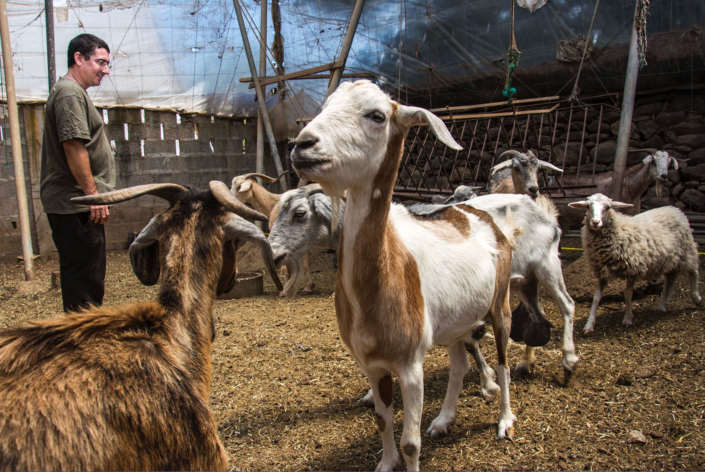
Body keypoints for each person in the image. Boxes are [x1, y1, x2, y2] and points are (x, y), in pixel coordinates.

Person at [40, 34, 115, 312]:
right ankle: (81, 342)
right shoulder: (69, 93)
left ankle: (83, 336)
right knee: (84, 280)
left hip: (77, 202)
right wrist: (92, 196)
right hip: (77, 203)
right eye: (100, 62)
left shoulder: (72, 92)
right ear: (79, 58)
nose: (105, 70)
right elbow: (73, 146)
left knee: (87, 274)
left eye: (108, 64)